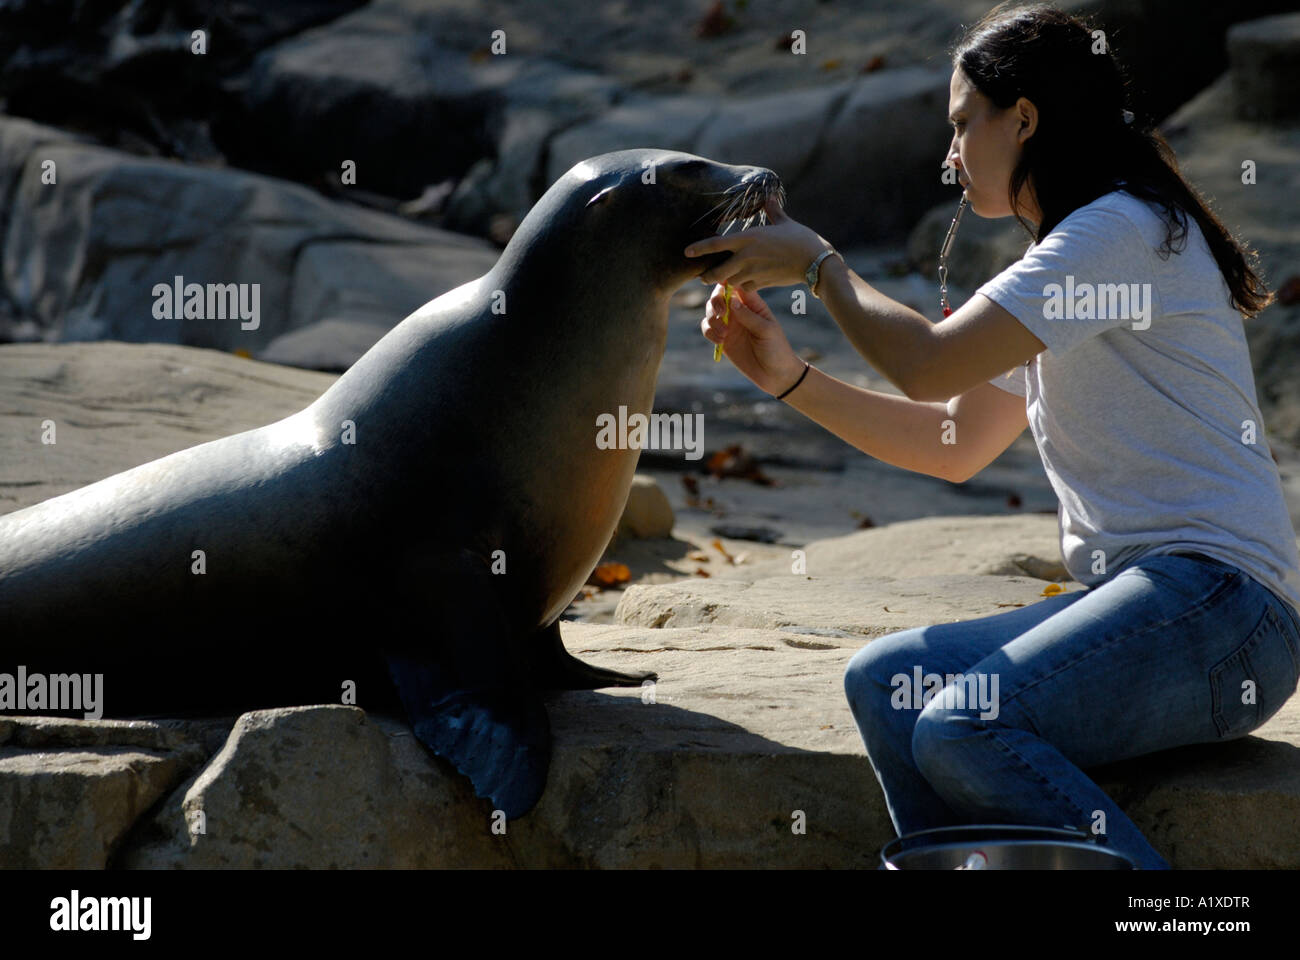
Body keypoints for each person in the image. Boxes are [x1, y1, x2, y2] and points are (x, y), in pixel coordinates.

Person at [684, 1, 1300, 870]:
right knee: (885, 688)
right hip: (1153, 604)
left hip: (1224, 610)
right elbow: (952, 440)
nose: (949, 154)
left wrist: (820, 266)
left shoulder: (1118, 232)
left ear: (1024, 118)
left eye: (961, 124)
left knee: (968, 721)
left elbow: (929, 363)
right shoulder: (1068, 255)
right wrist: (790, 377)